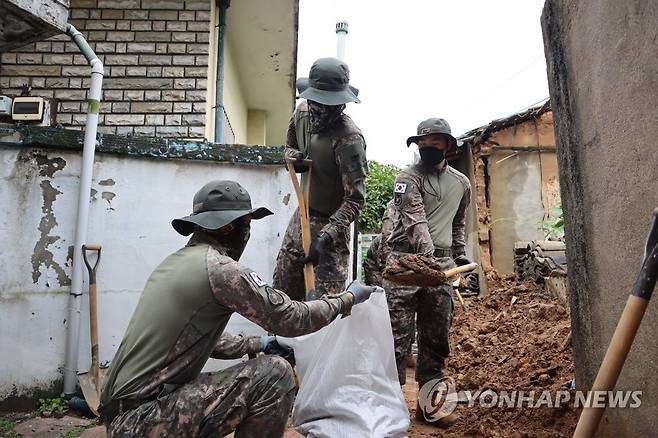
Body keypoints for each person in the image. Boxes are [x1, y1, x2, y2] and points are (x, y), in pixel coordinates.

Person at [98, 180, 378, 438]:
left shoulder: (176, 264)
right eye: (247, 223)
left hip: (124, 416)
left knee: (261, 367)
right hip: (141, 421)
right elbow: (292, 318)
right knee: (274, 374)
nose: (248, 232)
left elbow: (195, 338)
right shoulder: (221, 270)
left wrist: (258, 343)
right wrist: (346, 299)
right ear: (229, 227)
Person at [385, 118, 471, 428]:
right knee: (396, 340)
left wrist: (461, 258)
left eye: (433, 144)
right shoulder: (407, 178)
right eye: (420, 145)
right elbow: (415, 223)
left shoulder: (461, 183)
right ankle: (390, 411)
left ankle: (429, 405)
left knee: (436, 339)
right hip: (405, 266)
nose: (425, 149)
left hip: (443, 267)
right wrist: (428, 263)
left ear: (448, 145)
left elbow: (458, 224)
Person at [274, 57, 368, 301]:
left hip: (332, 228)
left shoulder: (349, 140)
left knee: (324, 310)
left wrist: (325, 237)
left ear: (341, 104)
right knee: (283, 299)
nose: (321, 109)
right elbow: (288, 147)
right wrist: (292, 157)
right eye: (316, 102)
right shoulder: (301, 113)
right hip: (301, 218)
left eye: (330, 104)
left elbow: (356, 200)